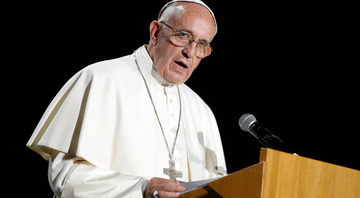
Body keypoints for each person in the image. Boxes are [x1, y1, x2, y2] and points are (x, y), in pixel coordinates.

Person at [26, 0, 227, 197]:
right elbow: (66, 177)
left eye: (202, 44)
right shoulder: (100, 79)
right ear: (155, 32)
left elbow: (220, 189)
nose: (190, 52)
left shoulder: (202, 111)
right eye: (183, 35)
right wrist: (140, 189)